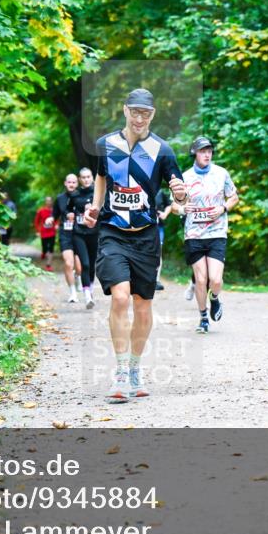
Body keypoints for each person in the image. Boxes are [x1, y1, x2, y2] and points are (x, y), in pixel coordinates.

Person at [82, 88, 186, 403]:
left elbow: (179, 192)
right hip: (113, 232)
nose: (140, 118)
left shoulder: (162, 150)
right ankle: (120, 372)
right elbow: (101, 177)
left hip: (146, 236)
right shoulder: (105, 144)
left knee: (142, 306)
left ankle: (135, 368)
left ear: (152, 115)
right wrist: (95, 206)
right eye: (135, 111)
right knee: (120, 297)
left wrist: (181, 194)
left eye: (146, 113)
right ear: (125, 110)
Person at [173, 136, 238, 334]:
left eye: (209, 151)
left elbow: (234, 197)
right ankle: (203, 318)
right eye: (203, 151)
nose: (207, 155)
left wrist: (223, 208)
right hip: (194, 234)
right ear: (195, 153)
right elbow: (174, 206)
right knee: (201, 280)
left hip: (217, 232)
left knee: (215, 280)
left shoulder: (221, 173)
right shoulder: (185, 177)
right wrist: (183, 209)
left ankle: (214, 299)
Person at [69, 167, 98, 309]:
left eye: (88, 177)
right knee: (85, 264)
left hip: (94, 233)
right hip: (79, 234)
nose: (86, 180)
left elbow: (104, 211)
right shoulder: (75, 195)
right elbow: (68, 209)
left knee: (92, 265)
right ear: (80, 179)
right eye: (83, 177)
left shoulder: (98, 194)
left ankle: (90, 289)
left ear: (92, 178)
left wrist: (93, 210)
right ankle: (87, 296)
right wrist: (69, 214)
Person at [52, 174, 82, 302]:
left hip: (80, 234)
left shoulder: (82, 196)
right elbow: (54, 215)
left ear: (77, 184)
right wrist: (50, 219)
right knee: (69, 264)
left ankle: (78, 277)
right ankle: (73, 293)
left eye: (74, 182)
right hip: (65, 234)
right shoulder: (60, 198)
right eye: (69, 182)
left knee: (79, 267)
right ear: (65, 183)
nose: (71, 184)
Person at [154, 187, 171, 290]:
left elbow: (169, 205)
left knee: (158, 251)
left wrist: (165, 214)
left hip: (158, 227)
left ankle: (156, 280)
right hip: (143, 227)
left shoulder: (160, 192)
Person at [33, 196, 56, 271]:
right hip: (44, 232)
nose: (48, 202)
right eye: (47, 201)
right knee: (45, 248)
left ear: (52, 202)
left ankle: (48, 265)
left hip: (52, 232)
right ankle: (43, 252)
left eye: (50, 201)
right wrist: (37, 231)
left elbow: (57, 219)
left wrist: (57, 225)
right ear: (45, 202)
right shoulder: (41, 210)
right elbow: (36, 221)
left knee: (51, 248)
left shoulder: (54, 210)